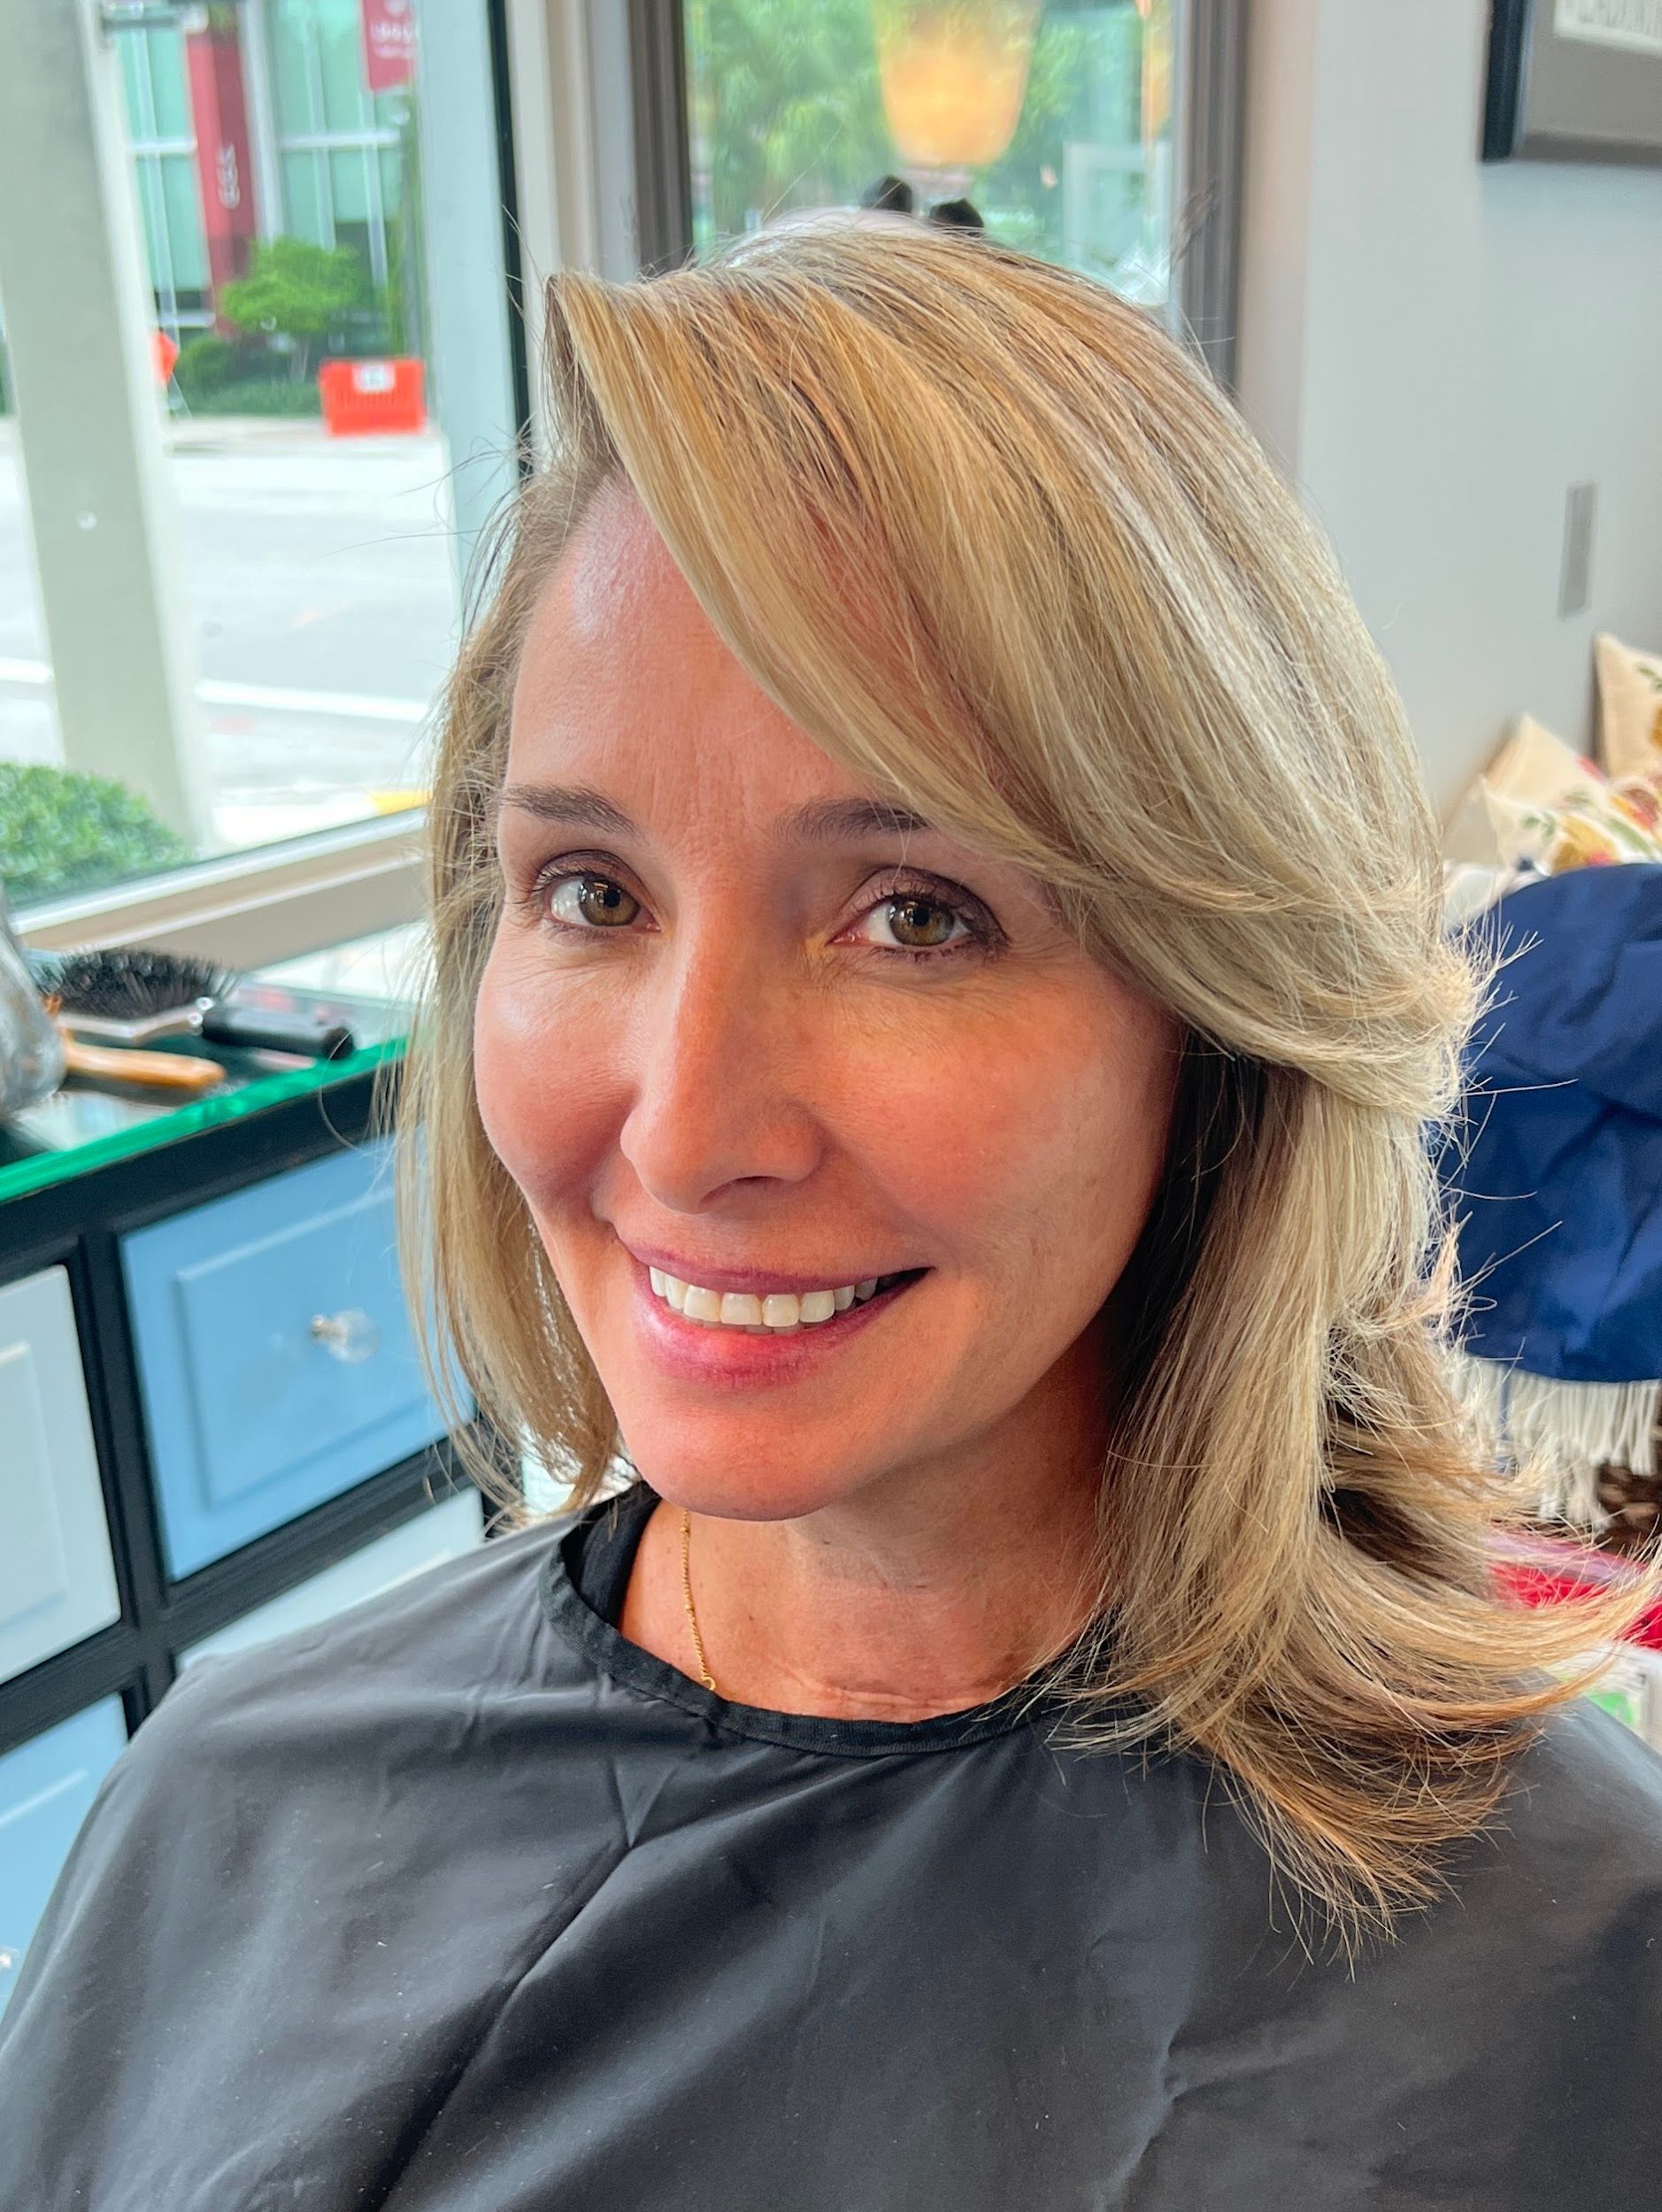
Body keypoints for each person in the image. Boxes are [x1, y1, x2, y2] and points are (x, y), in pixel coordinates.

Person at [3, 215, 1658, 2211]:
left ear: (1219, 1018)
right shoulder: (227, 1815)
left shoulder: (1582, 1983)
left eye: (914, 915)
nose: (686, 1131)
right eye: (592, 892)